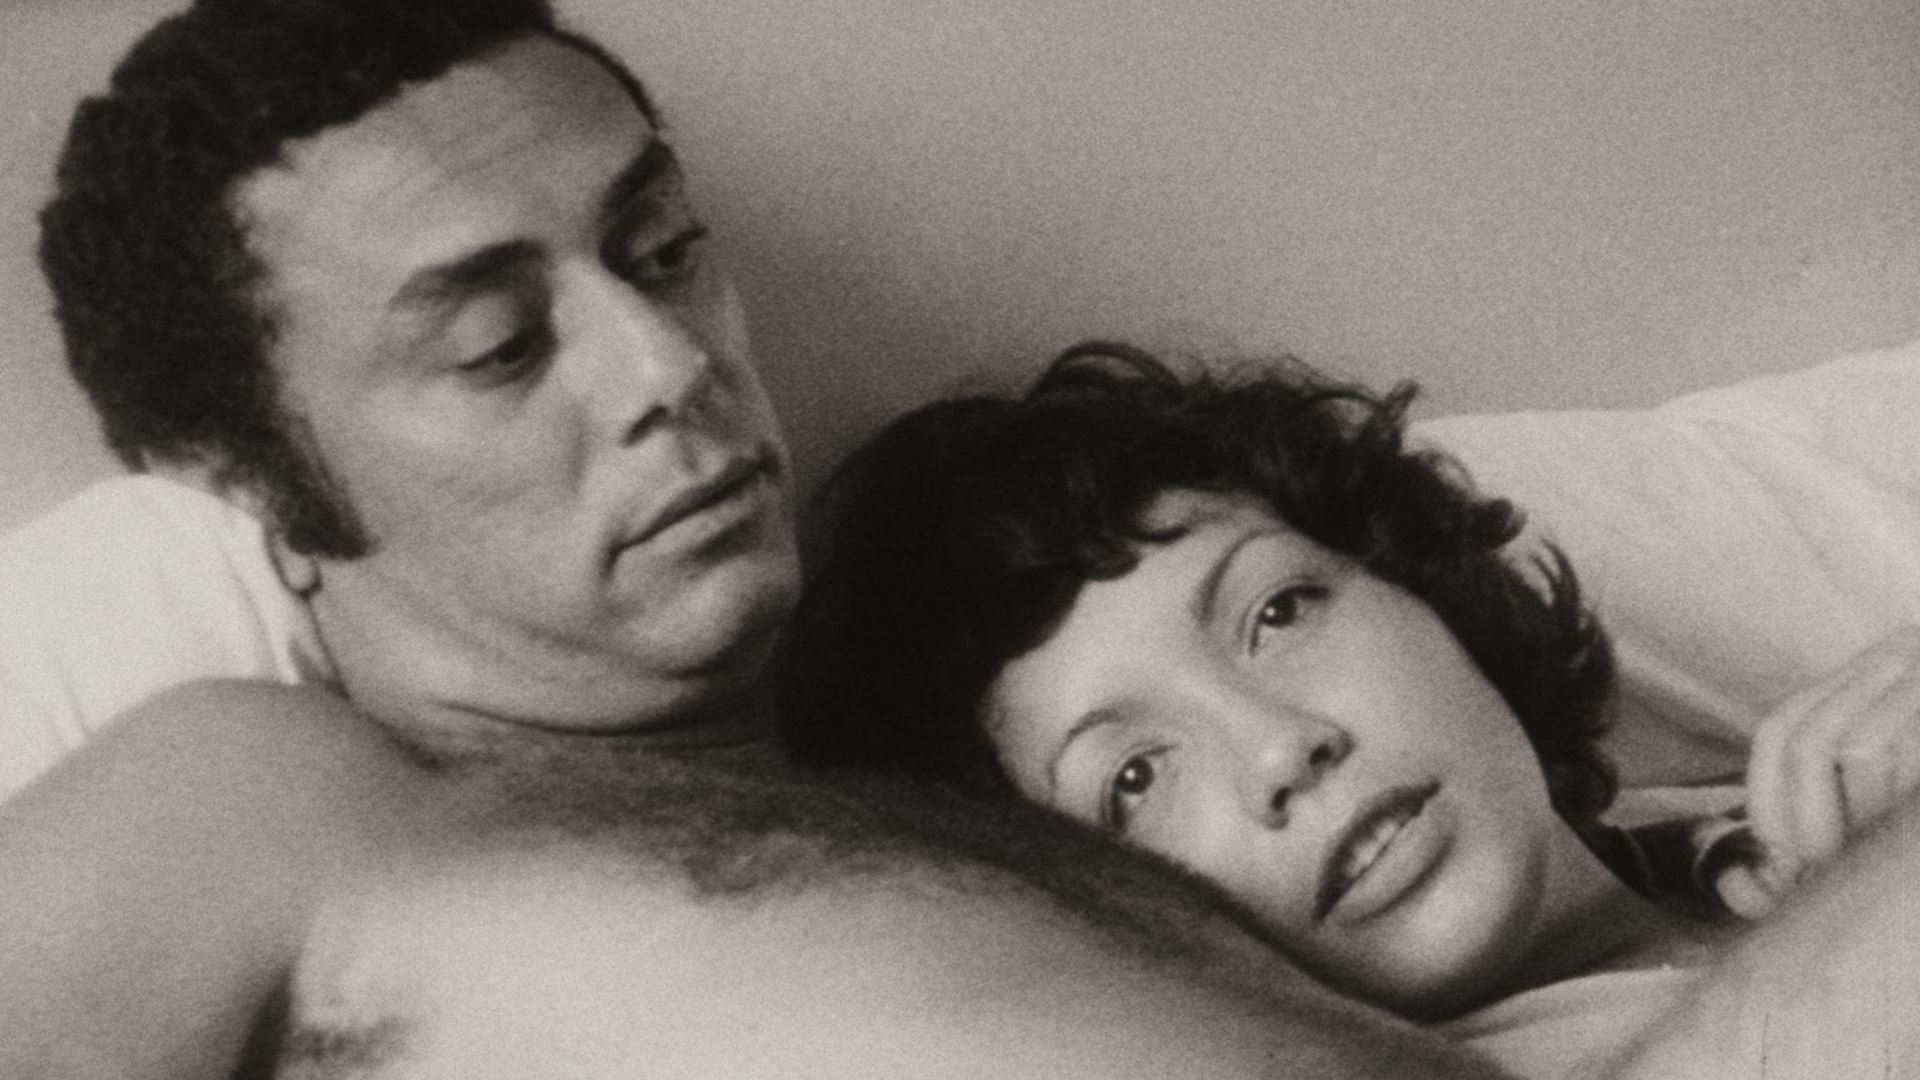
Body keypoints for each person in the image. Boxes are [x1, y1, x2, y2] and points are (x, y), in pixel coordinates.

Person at [0, 4, 1514, 1079]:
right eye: (499, 346)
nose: (668, 365)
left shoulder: (987, 770)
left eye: (664, 252)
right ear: (250, 483)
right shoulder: (260, 797)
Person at [779, 341, 1920, 1076]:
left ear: (1420, 588)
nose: (1282, 748)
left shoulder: (1771, 814)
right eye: (1135, 778)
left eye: (1277, 613)